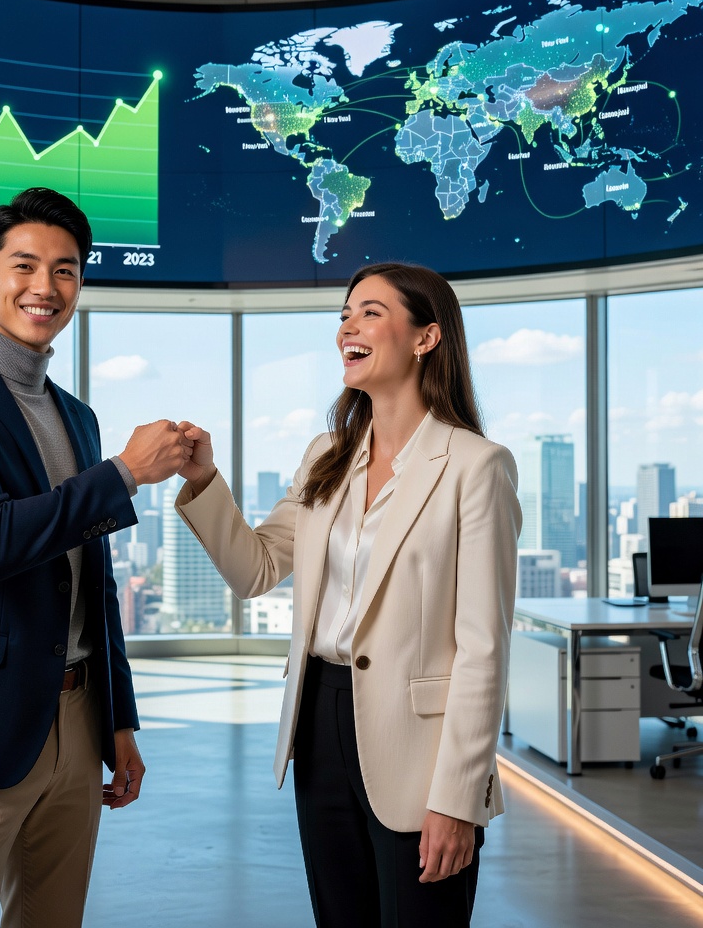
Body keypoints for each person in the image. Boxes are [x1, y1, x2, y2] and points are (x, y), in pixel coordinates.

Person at [0, 186, 191, 928]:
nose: (44, 287)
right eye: (24, 266)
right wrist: (121, 474)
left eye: (66, 270)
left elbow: (94, 584)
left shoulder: (74, 415)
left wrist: (118, 720)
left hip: (79, 720)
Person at [173, 262, 521, 928]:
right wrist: (204, 478)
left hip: (420, 745)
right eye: (343, 314)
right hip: (321, 723)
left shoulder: (477, 466)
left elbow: (483, 648)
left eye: (370, 312)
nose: (347, 328)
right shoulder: (326, 454)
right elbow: (258, 568)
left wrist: (456, 799)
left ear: (426, 338)